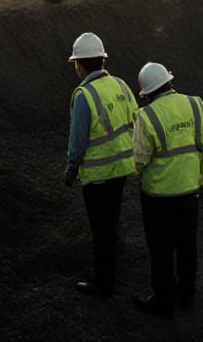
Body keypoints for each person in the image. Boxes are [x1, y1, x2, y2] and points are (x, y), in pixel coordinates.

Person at [131, 61, 203, 318]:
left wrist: (133, 176)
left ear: (147, 93)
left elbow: (137, 160)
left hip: (157, 198)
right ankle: (186, 297)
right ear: (170, 82)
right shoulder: (196, 105)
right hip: (189, 193)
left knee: (161, 250)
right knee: (187, 246)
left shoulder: (146, 116)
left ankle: (163, 302)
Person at [64, 32, 137, 298]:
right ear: (102, 61)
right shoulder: (120, 85)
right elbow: (135, 121)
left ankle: (104, 284)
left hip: (97, 176)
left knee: (100, 230)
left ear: (79, 65)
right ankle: (110, 273)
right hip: (122, 170)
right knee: (111, 224)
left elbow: (78, 142)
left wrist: (71, 171)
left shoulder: (84, 95)